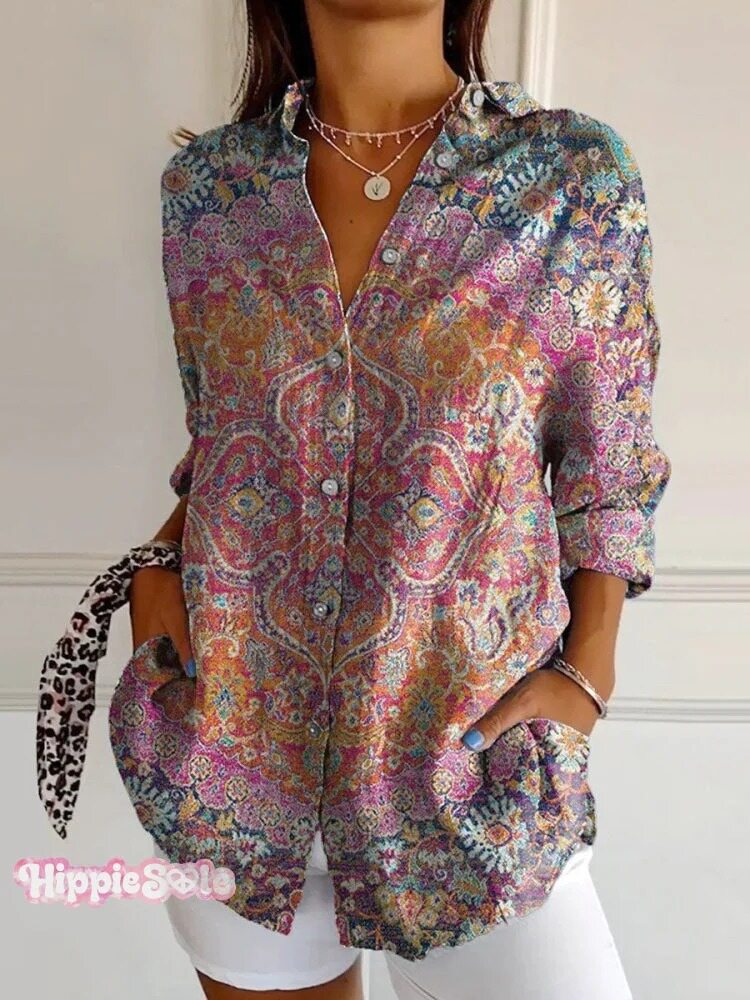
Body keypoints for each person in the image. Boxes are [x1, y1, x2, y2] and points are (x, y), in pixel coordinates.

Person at [123, 1, 672, 997]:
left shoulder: (569, 177)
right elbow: (230, 443)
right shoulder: (207, 193)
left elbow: (610, 458)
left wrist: (588, 672)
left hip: (469, 774)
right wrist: (156, 570)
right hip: (234, 768)